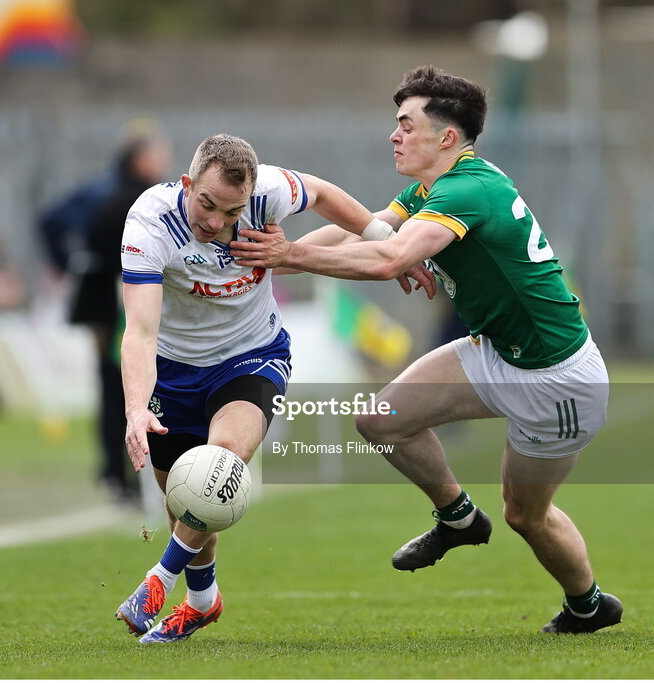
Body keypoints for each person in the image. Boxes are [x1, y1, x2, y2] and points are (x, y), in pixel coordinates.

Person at [230, 66, 623, 635]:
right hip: (497, 354)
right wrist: (261, 262)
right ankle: (458, 518)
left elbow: (389, 261)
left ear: (447, 138)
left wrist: (288, 256)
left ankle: (587, 606)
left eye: (406, 125)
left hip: (555, 379)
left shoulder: (468, 189)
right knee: (380, 419)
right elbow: (367, 233)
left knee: (524, 514)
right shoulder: (432, 187)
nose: (394, 135)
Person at [115, 133, 431, 643]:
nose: (216, 221)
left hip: (252, 355)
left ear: (251, 196)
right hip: (175, 371)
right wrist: (135, 408)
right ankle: (202, 601)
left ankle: (160, 579)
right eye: (207, 204)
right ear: (187, 183)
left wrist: (384, 239)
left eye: (232, 210)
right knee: (186, 502)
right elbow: (141, 332)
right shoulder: (149, 223)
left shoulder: (270, 191)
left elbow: (324, 193)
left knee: (222, 462)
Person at [73, 129, 171, 502]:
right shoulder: (129, 204)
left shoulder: (122, 197)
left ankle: (122, 474)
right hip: (114, 313)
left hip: (120, 310)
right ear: (138, 159)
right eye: (157, 155)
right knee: (120, 391)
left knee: (124, 390)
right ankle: (117, 473)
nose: (162, 163)